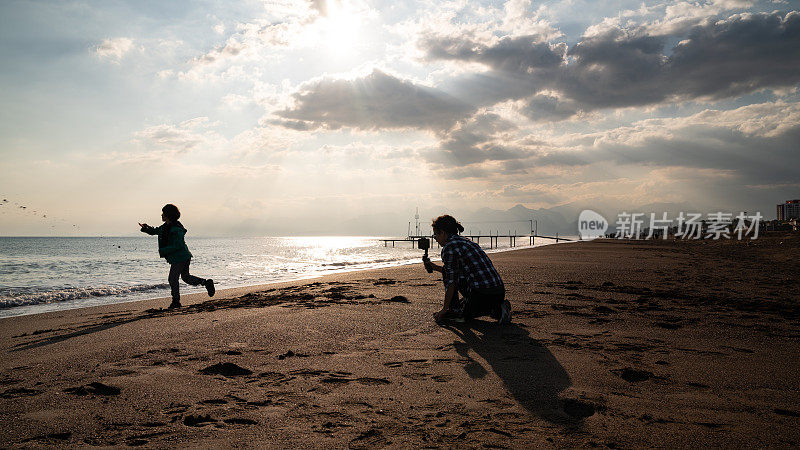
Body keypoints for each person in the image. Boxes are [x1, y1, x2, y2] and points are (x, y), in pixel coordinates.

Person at [423, 214, 511, 325]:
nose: (435, 239)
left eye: (435, 235)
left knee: (458, 319)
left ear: (443, 233)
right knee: (465, 304)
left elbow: (451, 281)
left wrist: (444, 309)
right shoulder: (466, 241)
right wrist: (434, 268)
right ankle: (497, 307)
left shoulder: (449, 247)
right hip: (498, 291)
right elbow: (456, 272)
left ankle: (494, 311)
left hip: (482, 294)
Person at [139, 204, 214, 309]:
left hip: (181, 257)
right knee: (185, 277)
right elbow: (155, 231)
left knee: (172, 279)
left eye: (163, 213)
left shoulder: (176, 229)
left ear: (168, 215)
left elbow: (178, 245)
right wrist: (146, 228)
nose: (161, 215)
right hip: (181, 257)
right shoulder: (165, 227)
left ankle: (176, 302)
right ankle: (205, 282)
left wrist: (164, 251)